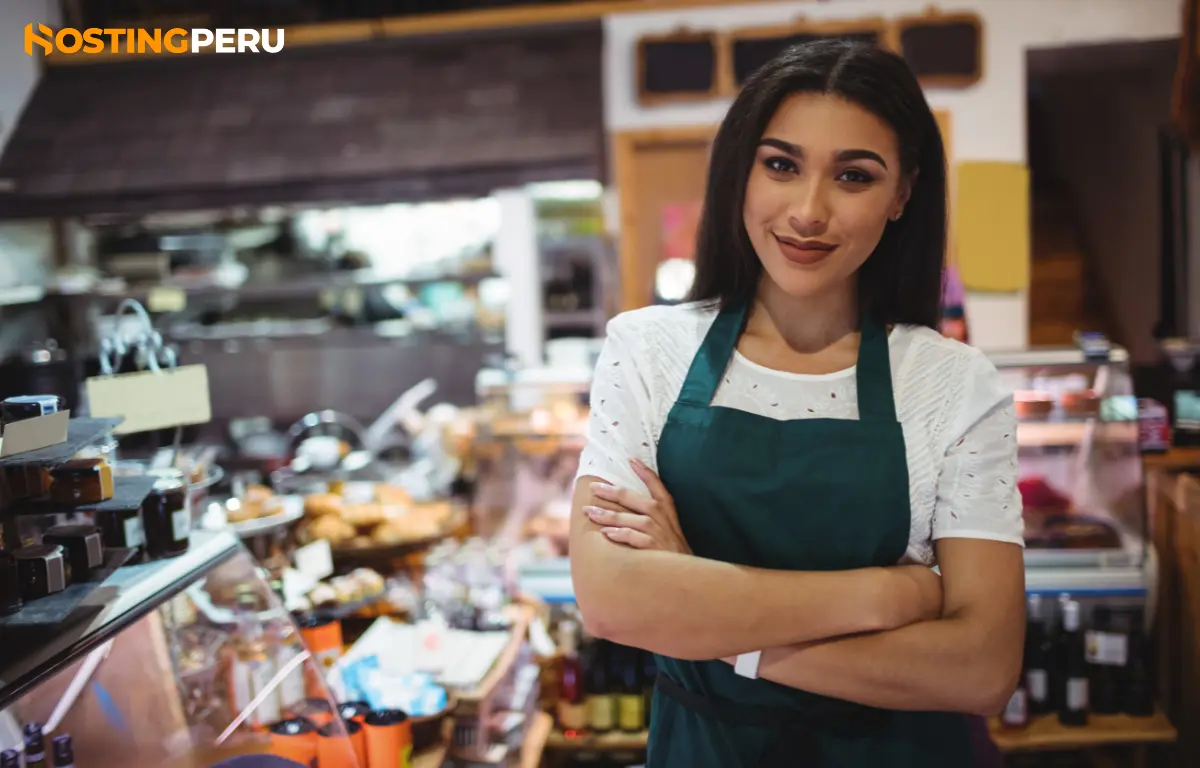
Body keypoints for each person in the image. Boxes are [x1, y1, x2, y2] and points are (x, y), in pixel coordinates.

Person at [569, 39, 1025, 767]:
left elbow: (981, 669)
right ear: (741, 173)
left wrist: (713, 624)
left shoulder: (951, 382)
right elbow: (613, 602)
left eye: (854, 176)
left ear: (902, 193)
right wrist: (884, 596)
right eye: (781, 165)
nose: (808, 211)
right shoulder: (647, 349)